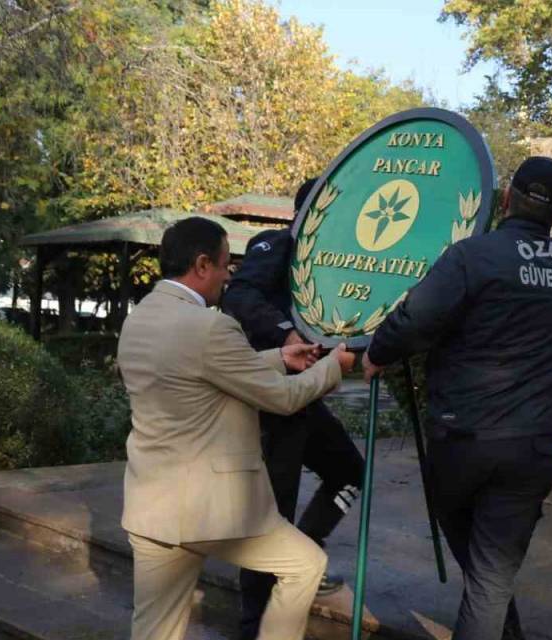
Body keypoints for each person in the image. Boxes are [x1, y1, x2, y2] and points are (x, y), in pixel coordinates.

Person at [362, 156, 552, 640]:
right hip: (533, 444)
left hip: (467, 440)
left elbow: (416, 318)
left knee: (486, 577)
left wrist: (377, 353)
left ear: (504, 199)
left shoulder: (473, 256)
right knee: (490, 576)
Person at [118, 216, 356, 640]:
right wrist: (331, 367)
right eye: (227, 264)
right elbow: (281, 399)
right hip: (211, 513)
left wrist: (280, 358)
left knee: (154, 630)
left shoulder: (139, 319)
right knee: (305, 565)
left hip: (152, 508)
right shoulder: (211, 325)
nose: (230, 275)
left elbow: (193, 371)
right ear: (203, 264)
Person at [221, 179, 367, 640]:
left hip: (303, 398)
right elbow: (239, 297)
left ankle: (304, 555)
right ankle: (253, 624)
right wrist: (286, 333)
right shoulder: (276, 245)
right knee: (271, 513)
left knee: (348, 470)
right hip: (269, 400)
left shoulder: (338, 262)